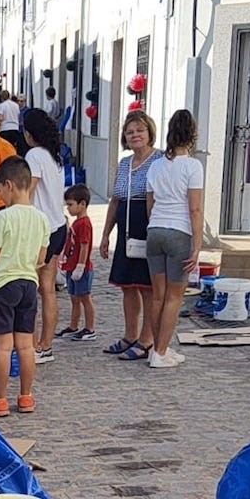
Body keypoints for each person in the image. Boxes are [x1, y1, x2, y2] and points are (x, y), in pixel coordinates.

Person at [0, 156, 50, 416]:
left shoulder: (3, 218)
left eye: (0, 191)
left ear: (9, 185)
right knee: (26, 346)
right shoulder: (41, 219)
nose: (0, 196)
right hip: (29, 284)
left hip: (4, 284)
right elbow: (41, 259)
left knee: (3, 347)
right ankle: (26, 397)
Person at [99, 111, 163, 360]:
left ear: (149, 133)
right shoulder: (124, 163)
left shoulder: (158, 160)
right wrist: (105, 234)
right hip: (126, 228)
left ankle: (146, 339)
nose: (135, 135)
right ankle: (130, 334)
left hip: (146, 224)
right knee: (127, 286)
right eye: (130, 131)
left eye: (140, 130)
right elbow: (115, 200)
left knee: (146, 287)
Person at [145, 110, 204, 368]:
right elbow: (195, 208)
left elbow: (150, 203)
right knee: (174, 297)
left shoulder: (156, 165)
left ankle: (157, 348)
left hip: (155, 230)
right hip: (179, 232)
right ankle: (160, 352)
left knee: (157, 296)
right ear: (192, 134)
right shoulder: (193, 166)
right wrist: (198, 245)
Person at [23, 108, 67, 364]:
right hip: (58, 225)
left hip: (40, 230)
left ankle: (31, 344)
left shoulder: (34, 155)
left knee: (30, 288)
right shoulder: (55, 156)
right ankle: (45, 345)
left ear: (29, 134)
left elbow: (29, 190)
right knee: (48, 289)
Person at [58, 184, 96, 341]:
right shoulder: (76, 223)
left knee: (85, 298)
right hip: (71, 266)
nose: (68, 208)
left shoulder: (84, 223)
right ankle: (73, 326)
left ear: (82, 204)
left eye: (70, 204)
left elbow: (84, 245)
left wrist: (80, 266)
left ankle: (90, 328)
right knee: (74, 298)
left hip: (82, 268)